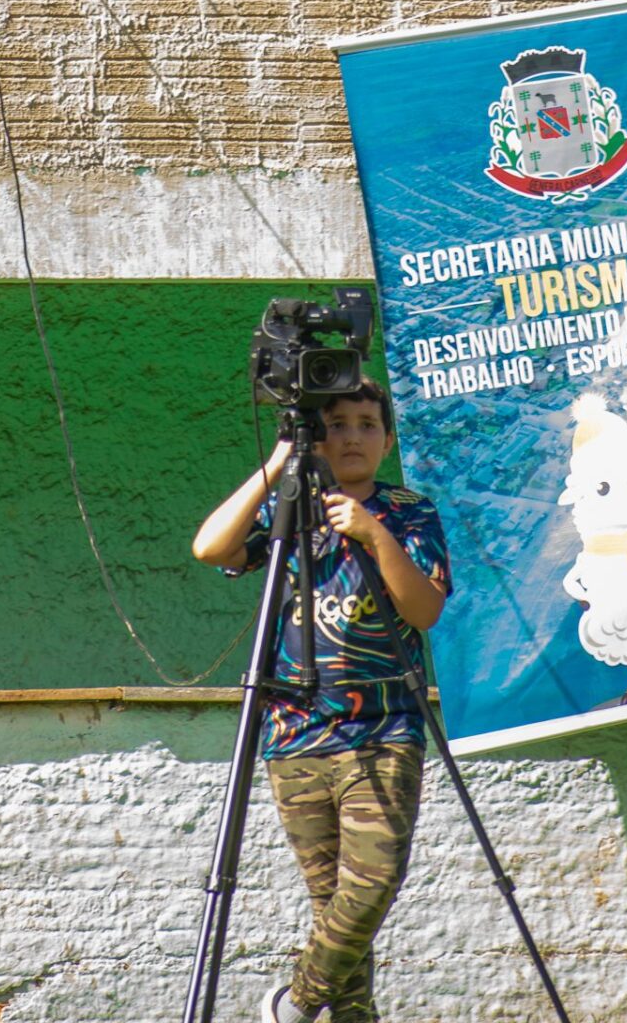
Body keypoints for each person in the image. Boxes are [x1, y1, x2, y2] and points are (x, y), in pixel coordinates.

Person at [192, 384, 451, 1023]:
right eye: (337, 424)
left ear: (387, 440)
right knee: (333, 904)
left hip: (384, 727)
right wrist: (278, 464)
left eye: (368, 424)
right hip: (295, 732)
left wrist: (373, 534)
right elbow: (211, 548)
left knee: (372, 882)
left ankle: (298, 1002)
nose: (354, 436)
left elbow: (424, 609)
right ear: (316, 437)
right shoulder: (289, 511)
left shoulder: (409, 510)